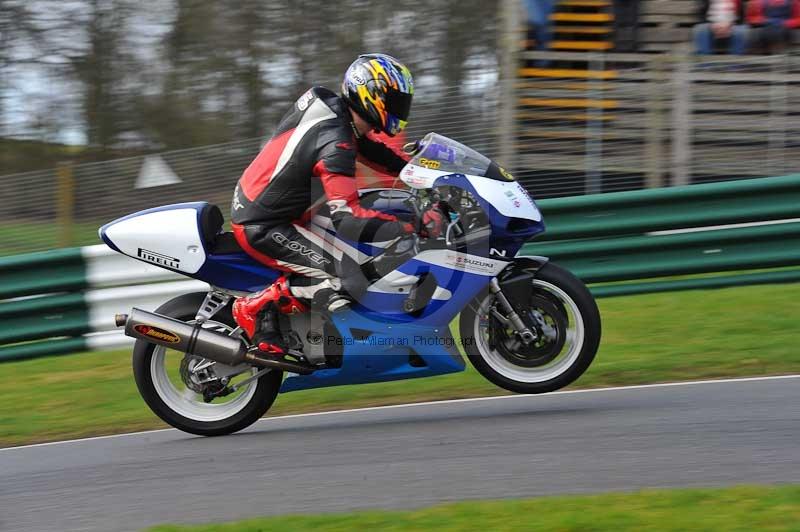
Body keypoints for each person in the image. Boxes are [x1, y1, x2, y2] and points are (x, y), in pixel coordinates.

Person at [229, 53, 441, 355]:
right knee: (350, 274)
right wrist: (410, 227)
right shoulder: (335, 141)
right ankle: (256, 307)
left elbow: (376, 153)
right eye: (393, 100)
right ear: (370, 94)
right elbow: (349, 218)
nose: (400, 108)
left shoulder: (338, 116)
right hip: (263, 224)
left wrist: (425, 172)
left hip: (281, 209)